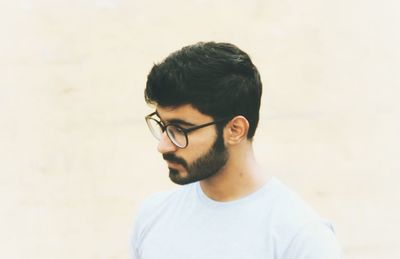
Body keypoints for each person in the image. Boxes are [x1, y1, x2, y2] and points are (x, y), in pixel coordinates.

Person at [130, 42, 341, 259]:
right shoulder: (153, 217)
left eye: (180, 129)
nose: (163, 145)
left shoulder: (302, 239)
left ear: (235, 130)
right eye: (163, 126)